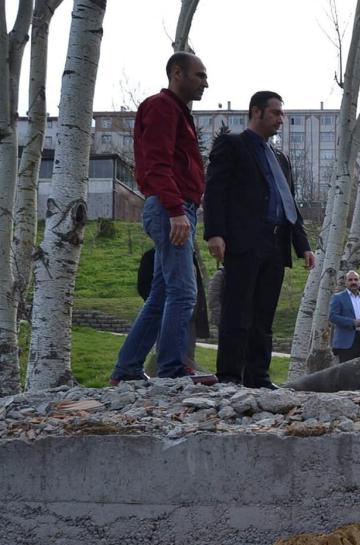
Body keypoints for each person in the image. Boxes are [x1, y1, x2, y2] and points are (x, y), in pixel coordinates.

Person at [110, 52, 216, 385]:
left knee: (161, 294)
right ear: (177, 73)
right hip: (171, 208)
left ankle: (128, 369)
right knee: (184, 293)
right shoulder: (161, 107)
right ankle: (171, 370)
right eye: (199, 76)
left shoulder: (178, 113)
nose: (205, 83)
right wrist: (174, 211)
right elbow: (157, 165)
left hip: (178, 208)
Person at [204, 90, 316, 389]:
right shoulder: (233, 145)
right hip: (243, 242)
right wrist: (215, 232)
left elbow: (289, 202)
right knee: (237, 310)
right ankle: (230, 375)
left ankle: (258, 376)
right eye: (276, 113)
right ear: (256, 112)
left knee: (264, 314)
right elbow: (215, 190)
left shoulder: (280, 158)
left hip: (275, 245)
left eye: (282, 113)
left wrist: (302, 244)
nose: (282, 119)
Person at [136, 247, 209, 373]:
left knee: (188, 350)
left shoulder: (190, 256)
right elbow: (144, 285)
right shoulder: (152, 256)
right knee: (166, 348)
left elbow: (197, 288)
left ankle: (185, 371)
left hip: (189, 314)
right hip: (167, 312)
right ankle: (165, 371)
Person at [329, 269, 360, 361]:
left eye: (356, 280)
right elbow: (332, 316)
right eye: (350, 280)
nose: (353, 282)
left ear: (359, 282)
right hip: (346, 343)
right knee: (346, 373)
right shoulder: (338, 297)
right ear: (345, 282)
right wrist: (352, 322)